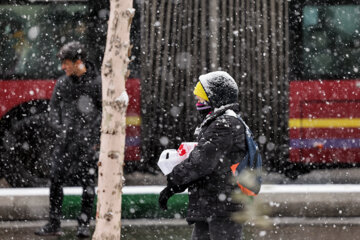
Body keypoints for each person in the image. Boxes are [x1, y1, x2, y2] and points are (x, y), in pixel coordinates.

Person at [159, 71, 246, 240]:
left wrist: (174, 183)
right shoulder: (219, 122)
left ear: (217, 98)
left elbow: (201, 162)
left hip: (222, 207)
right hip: (212, 204)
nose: (198, 101)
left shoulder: (224, 124)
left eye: (202, 97)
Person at [35, 41, 102, 238]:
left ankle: (83, 225)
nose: (63, 67)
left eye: (66, 63)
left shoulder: (97, 83)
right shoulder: (63, 83)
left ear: (78, 62)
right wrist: (60, 129)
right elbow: (53, 109)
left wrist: (90, 136)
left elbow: (103, 112)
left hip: (88, 145)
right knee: (55, 180)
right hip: (64, 143)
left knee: (88, 184)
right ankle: (54, 223)